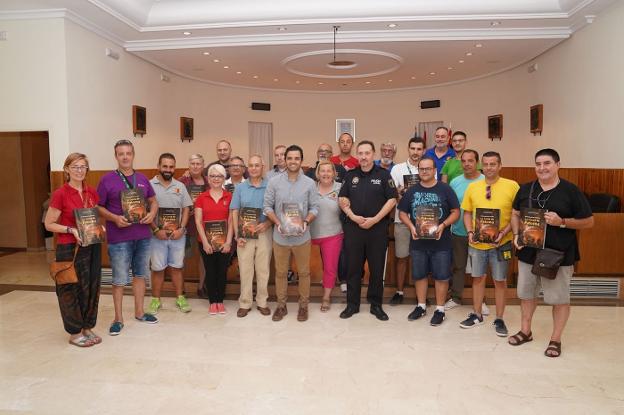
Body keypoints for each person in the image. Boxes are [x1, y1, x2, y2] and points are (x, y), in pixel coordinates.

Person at [509, 148, 593, 358]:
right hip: (529, 251)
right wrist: (516, 234)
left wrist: (562, 222)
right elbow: (515, 213)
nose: (542, 168)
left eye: (547, 163)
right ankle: (525, 331)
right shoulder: (526, 189)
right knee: (527, 295)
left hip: (558, 255)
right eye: (538, 164)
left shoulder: (570, 191)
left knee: (559, 298)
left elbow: (589, 221)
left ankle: (555, 339)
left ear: (557, 165)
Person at [97, 139, 159, 335]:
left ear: (133, 155)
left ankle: (140, 312)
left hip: (142, 235)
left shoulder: (142, 178)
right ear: (116, 156)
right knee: (119, 279)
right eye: (121, 154)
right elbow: (98, 207)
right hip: (119, 238)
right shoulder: (106, 180)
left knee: (140, 275)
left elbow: (153, 201)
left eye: (128, 153)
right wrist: (114, 218)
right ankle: (118, 318)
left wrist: (151, 214)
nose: (125, 157)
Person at [44, 153, 103, 347]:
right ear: (67, 169)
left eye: (83, 166)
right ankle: (74, 332)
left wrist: (100, 228)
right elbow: (49, 224)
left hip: (91, 246)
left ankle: (87, 326)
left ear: (87, 169)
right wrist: (70, 229)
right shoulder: (61, 193)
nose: (79, 170)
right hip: (69, 248)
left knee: (91, 288)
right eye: (75, 166)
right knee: (69, 289)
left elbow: (93, 218)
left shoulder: (91, 192)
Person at [460, 151, 519, 337]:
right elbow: (467, 213)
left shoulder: (512, 186)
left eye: (493, 164)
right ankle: (477, 314)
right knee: (477, 279)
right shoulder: (473, 187)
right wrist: (470, 231)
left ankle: (499, 318)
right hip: (478, 244)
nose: (489, 168)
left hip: (502, 244)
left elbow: (517, 214)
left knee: (500, 281)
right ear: (481, 166)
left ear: (500, 165)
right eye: (485, 164)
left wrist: (503, 232)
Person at [338, 140, 397, 321]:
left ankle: (376, 305)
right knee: (353, 268)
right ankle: (352, 305)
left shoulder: (384, 174)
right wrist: (352, 216)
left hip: (377, 229)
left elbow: (392, 200)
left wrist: (375, 220)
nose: (364, 157)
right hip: (354, 229)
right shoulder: (350, 176)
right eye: (361, 153)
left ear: (373, 154)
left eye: (367, 153)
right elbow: (342, 198)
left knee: (377, 269)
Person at [398, 157, 460, 326]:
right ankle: (421, 306)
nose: (424, 171)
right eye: (422, 169)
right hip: (418, 242)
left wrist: (443, 225)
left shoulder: (445, 189)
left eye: (428, 169)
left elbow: (456, 212)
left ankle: (440, 309)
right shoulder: (411, 190)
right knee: (419, 275)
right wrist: (411, 226)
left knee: (441, 277)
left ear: (434, 171)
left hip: (441, 242)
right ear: (419, 171)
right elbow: (402, 212)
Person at [264, 144, 319, 322]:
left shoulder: (310, 183)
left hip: (302, 237)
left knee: (304, 273)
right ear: (284, 160)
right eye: (290, 158)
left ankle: (303, 306)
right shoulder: (274, 182)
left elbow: (315, 208)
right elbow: (267, 207)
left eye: (297, 158)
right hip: (280, 237)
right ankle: (281, 306)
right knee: (280, 273)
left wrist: (305, 221)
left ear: (301, 160)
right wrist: (278, 223)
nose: (293, 161)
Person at [147, 153, 193, 315]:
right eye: (165, 166)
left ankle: (180, 298)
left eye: (171, 166)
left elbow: (186, 208)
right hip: (156, 236)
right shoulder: (148, 185)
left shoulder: (180, 186)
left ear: (174, 168)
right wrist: (155, 230)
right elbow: (145, 211)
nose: (168, 169)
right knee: (157, 269)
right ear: (158, 166)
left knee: (177, 267)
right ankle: (155, 300)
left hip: (177, 236)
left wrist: (182, 228)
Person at [230, 155, 273, 318]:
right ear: (247, 168)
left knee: (263, 269)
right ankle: (245, 303)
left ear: (263, 167)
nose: (254, 168)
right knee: (246, 269)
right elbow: (234, 210)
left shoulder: (270, 186)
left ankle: (262, 302)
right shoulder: (241, 187)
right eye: (251, 165)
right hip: (245, 234)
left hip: (264, 232)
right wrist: (236, 234)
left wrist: (268, 223)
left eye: (257, 165)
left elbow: (275, 209)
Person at [444, 150, 486, 311]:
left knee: (480, 268)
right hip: (459, 231)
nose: (467, 164)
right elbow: (451, 206)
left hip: (480, 233)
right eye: (464, 161)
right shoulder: (455, 182)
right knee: (458, 266)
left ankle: (481, 301)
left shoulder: (485, 180)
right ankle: (456, 297)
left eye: (471, 161)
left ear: (477, 163)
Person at [389, 136, 426, 305]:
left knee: (422, 257)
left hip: (425, 220)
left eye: (419, 149)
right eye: (413, 148)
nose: (416, 152)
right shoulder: (397, 169)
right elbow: (391, 194)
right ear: (408, 149)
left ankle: (421, 297)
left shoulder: (427, 168)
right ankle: (399, 291)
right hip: (402, 220)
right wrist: (399, 192)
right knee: (401, 257)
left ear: (423, 151)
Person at [195, 164, 234, 314]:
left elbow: (231, 221)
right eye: (213, 176)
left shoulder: (230, 197)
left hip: (224, 242)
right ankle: (212, 302)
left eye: (219, 176)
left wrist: (229, 241)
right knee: (210, 271)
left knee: (222, 271)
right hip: (205, 242)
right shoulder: (201, 197)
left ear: (224, 178)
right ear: (208, 178)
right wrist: (205, 242)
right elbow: (198, 221)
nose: (216, 179)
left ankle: (220, 301)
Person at [310, 161, 344, 312]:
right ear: (317, 173)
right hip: (309, 234)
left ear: (334, 173)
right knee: (305, 268)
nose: (325, 174)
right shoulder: (310, 188)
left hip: (333, 233)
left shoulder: (341, 188)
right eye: (322, 171)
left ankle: (326, 297)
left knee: (330, 268)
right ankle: (304, 295)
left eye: (328, 171)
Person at [177, 154, 208, 298]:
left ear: (203, 166)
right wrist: (185, 210)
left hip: (204, 228)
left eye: (198, 164)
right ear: (188, 165)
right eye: (193, 163)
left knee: (203, 258)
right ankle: (181, 289)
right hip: (187, 227)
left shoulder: (209, 182)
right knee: (181, 259)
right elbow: (174, 202)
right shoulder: (181, 182)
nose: (195, 166)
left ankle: (202, 286)